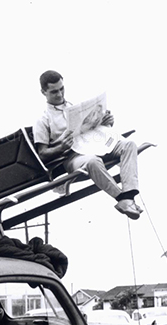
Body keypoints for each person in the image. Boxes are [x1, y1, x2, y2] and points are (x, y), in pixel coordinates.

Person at [32, 70, 142, 220]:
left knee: (129, 144)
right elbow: (42, 154)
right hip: (73, 157)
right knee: (92, 161)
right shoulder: (43, 119)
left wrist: (105, 122)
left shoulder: (75, 108)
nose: (60, 94)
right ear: (43, 92)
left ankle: (128, 196)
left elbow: (90, 128)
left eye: (61, 89)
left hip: (94, 146)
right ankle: (121, 199)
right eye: (54, 91)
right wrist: (61, 147)